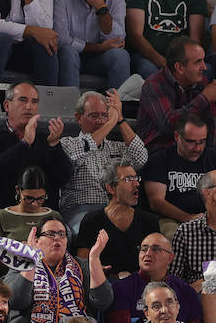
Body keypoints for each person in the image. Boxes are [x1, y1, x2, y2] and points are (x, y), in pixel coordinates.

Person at [6, 218, 115, 323]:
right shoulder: (19, 264)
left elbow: (103, 302)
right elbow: (16, 300)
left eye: (61, 234)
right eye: (50, 234)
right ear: (36, 241)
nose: (57, 238)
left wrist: (94, 259)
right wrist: (31, 261)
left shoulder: (81, 265)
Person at [0, 83, 71, 233]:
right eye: (23, 100)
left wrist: (54, 145)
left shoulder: (45, 139)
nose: (29, 106)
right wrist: (25, 144)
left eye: (34, 101)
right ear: (7, 105)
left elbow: (63, 177)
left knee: (64, 235)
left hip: (40, 212)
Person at [58, 91, 148, 227]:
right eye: (94, 116)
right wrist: (111, 122)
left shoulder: (117, 147)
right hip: (81, 210)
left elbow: (141, 158)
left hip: (116, 208)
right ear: (78, 117)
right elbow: (75, 156)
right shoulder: (67, 143)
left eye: (104, 115)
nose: (100, 121)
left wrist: (120, 119)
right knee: (92, 229)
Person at [106, 233, 202, 323]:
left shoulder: (186, 291)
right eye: (144, 249)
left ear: (170, 258)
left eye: (156, 249)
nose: (148, 253)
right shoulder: (122, 288)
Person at [143, 116, 216, 238]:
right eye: (191, 142)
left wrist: (215, 218)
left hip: (213, 218)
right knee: (174, 236)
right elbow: (156, 202)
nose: (197, 148)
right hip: (172, 219)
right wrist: (188, 218)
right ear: (177, 137)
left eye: (202, 142)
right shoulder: (160, 160)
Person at [134, 38, 216, 153]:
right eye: (198, 62)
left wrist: (211, 157)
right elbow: (169, 125)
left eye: (203, 60)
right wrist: (204, 98)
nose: (204, 67)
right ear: (180, 68)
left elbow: (212, 126)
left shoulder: (202, 83)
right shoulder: (154, 84)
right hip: (158, 152)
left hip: (192, 152)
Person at [73, 163, 160, 277]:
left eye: (136, 178)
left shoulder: (149, 221)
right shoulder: (92, 220)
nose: (137, 184)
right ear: (111, 188)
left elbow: (157, 261)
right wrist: (96, 269)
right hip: (104, 284)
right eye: (129, 179)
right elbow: (82, 261)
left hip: (141, 285)